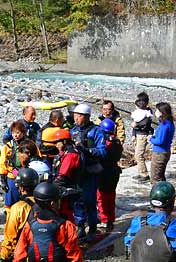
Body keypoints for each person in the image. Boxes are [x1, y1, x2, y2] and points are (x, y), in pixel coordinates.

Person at [70, 103, 107, 242]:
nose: (76, 119)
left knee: (90, 200)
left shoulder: (96, 131)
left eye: (79, 116)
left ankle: (92, 226)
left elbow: (102, 151)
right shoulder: (72, 131)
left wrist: (87, 150)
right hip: (76, 171)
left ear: (86, 117)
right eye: (75, 115)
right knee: (77, 199)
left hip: (90, 171)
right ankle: (79, 225)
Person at [0, 123, 42, 210]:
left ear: (23, 133)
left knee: (28, 200)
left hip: (28, 174)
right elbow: (2, 162)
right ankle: (10, 215)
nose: (15, 135)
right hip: (13, 173)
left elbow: (39, 158)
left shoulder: (30, 144)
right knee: (11, 201)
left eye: (18, 132)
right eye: (13, 132)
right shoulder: (8, 146)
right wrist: (3, 179)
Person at [43, 128, 81, 223]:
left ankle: (73, 233)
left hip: (69, 188)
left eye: (57, 142)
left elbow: (63, 175)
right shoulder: (64, 153)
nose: (56, 145)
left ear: (64, 141)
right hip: (65, 186)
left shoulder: (71, 155)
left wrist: (52, 186)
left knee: (66, 213)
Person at [96, 119, 123, 230]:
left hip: (103, 171)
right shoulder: (117, 142)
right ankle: (111, 219)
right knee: (111, 196)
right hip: (114, 171)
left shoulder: (104, 142)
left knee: (101, 197)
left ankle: (104, 219)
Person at [149, 102, 176, 183]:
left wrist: (150, 139)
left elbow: (160, 141)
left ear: (162, 112)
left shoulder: (164, 125)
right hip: (165, 152)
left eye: (157, 110)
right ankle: (165, 193)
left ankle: (157, 194)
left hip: (159, 153)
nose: (156, 112)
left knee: (155, 178)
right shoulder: (169, 122)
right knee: (161, 176)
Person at [131, 94, 155, 183]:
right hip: (138, 135)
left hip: (142, 135)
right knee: (137, 154)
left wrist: (136, 125)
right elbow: (135, 122)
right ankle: (141, 173)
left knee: (138, 155)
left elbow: (145, 123)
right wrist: (133, 135)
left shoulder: (147, 112)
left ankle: (144, 175)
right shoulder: (140, 111)